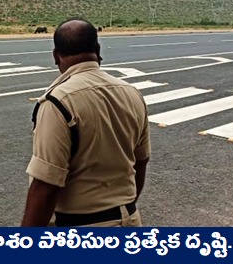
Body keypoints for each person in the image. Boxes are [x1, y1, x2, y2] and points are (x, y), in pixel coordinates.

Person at [21, 19, 150, 227]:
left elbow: (46, 184)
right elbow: (141, 161)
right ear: (97, 51)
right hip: (129, 220)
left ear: (56, 56)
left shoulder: (57, 102)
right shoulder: (132, 94)